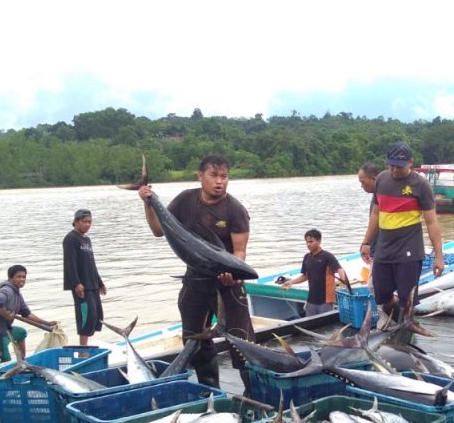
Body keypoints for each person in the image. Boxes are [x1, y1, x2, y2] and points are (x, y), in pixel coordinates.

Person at [138, 154, 254, 391]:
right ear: (200, 176)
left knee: (243, 342)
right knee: (194, 340)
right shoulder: (184, 201)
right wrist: (148, 202)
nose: (219, 181)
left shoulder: (235, 210)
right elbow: (158, 230)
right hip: (196, 281)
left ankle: (255, 394)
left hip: (228, 283)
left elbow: (239, 253)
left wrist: (233, 273)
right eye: (213, 175)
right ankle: (209, 392)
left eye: (224, 176)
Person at [360, 142, 444, 330]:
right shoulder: (382, 179)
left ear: (410, 163)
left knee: (408, 298)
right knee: (380, 293)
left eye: (399, 166)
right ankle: (397, 317)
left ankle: (406, 329)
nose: (394, 170)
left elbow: (432, 222)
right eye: (390, 165)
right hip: (384, 249)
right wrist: (366, 242)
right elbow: (375, 213)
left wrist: (439, 256)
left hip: (409, 250)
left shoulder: (421, 185)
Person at [0, 264, 58, 362]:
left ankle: (22, 361)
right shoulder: (6, 290)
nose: (22, 279)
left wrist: (47, 323)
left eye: (24, 277)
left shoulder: (17, 294)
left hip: (6, 329)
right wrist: (7, 316)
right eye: (19, 277)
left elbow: (27, 314)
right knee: (4, 361)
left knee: (21, 333)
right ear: (11, 278)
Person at [281, 229, 349, 317]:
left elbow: (340, 269)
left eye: (311, 241)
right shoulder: (307, 257)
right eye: (307, 242)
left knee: (325, 325)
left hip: (326, 300)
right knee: (310, 324)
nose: (308, 244)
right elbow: (305, 276)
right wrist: (291, 282)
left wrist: (344, 283)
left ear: (319, 241)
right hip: (311, 299)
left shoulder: (327, 256)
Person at [63, 209, 106, 345]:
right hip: (81, 286)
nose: (87, 225)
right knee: (85, 317)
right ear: (76, 222)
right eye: (85, 222)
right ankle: (83, 350)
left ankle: (87, 346)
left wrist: (100, 283)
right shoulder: (71, 239)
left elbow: (92, 264)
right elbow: (70, 263)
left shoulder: (87, 240)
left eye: (90, 222)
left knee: (96, 316)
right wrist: (76, 283)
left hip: (92, 283)